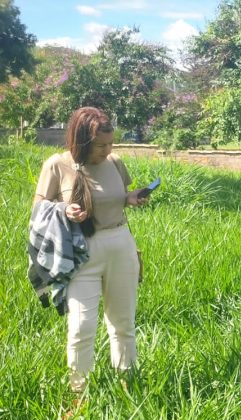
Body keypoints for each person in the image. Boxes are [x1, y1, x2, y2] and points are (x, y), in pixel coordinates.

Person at [33, 106, 149, 393]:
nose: (107, 150)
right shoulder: (57, 165)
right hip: (81, 251)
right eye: (100, 145)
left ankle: (128, 386)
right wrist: (64, 210)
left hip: (120, 245)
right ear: (82, 140)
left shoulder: (115, 162)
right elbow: (38, 208)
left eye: (111, 143)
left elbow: (118, 196)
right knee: (81, 327)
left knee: (123, 324)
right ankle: (78, 394)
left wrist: (131, 198)